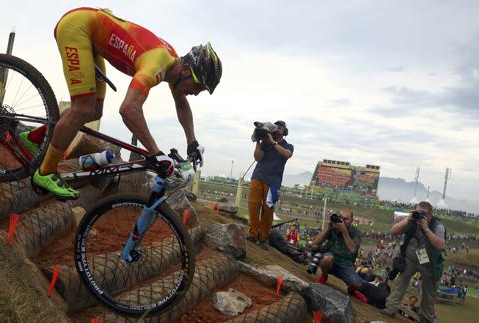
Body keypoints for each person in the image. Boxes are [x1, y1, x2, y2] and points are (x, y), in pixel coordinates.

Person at [21, 7, 221, 199]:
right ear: (186, 70)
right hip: (77, 28)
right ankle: (45, 172)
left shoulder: (173, 65)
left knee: (94, 111)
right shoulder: (156, 64)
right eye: (198, 86)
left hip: (91, 37)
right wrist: (156, 153)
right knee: (83, 108)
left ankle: (33, 138)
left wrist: (192, 142)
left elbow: (181, 104)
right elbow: (128, 109)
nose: (195, 93)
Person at [382, 202, 446, 322]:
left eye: (424, 214)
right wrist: (408, 219)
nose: (420, 215)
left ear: (430, 215)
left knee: (429, 291)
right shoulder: (411, 220)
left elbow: (441, 246)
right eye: (418, 212)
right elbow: (393, 232)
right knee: (401, 282)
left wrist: (426, 229)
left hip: (429, 262)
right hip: (410, 258)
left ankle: (426, 318)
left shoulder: (437, 226)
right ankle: (391, 308)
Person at [246, 121, 293, 250]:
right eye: (276, 125)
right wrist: (258, 140)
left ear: (284, 131)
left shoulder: (288, 145)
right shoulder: (265, 142)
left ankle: (263, 238)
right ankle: (253, 234)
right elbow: (257, 157)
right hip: (258, 176)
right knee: (253, 206)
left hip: (273, 182)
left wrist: (273, 142)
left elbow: (286, 154)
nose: (278, 127)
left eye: (281, 126)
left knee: (268, 211)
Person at [311, 209, 368, 302]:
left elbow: (352, 249)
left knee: (357, 284)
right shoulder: (333, 227)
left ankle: (351, 290)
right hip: (330, 259)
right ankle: (324, 276)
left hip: (345, 264)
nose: (343, 221)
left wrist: (344, 231)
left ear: (352, 221)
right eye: (341, 218)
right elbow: (316, 242)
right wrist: (328, 228)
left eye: (346, 219)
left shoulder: (355, 232)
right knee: (327, 259)